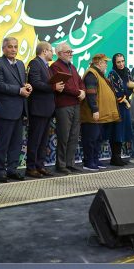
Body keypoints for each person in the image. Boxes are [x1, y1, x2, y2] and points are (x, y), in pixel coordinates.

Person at [0, 37, 31, 182]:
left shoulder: (20, 64)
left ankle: (12, 170)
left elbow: (22, 83)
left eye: (15, 47)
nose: (13, 49)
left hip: (19, 110)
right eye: (10, 47)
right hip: (5, 110)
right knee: (3, 143)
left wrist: (27, 86)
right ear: (3, 48)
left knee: (16, 143)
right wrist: (19, 90)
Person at [25, 41, 64, 178]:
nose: (53, 53)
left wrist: (57, 86)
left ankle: (39, 166)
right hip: (38, 109)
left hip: (47, 109)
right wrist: (54, 87)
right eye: (51, 51)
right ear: (44, 51)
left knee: (43, 141)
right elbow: (35, 83)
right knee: (35, 140)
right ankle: (31, 167)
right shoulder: (35, 63)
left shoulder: (46, 66)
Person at [80, 54, 120, 171]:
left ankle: (95, 159)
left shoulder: (99, 74)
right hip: (92, 115)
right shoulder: (91, 74)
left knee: (97, 139)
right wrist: (95, 110)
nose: (106, 65)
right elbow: (91, 93)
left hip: (100, 115)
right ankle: (88, 162)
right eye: (105, 62)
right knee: (90, 139)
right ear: (99, 63)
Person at [50, 42, 86, 174]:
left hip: (76, 104)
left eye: (71, 52)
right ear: (59, 54)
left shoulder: (72, 66)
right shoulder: (55, 67)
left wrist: (83, 91)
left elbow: (80, 82)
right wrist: (78, 92)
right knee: (64, 136)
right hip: (64, 105)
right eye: (68, 52)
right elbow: (63, 86)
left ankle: (70, 163)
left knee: (74, 136)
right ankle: (61, 165)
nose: (71, 54)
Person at [106, 53, 134, 167]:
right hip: (116, 106)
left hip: (125, 106)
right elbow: (116, 91)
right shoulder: (112, 73)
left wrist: (127, 91)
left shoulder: (127, 71)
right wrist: (127, 91)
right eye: (118, 62)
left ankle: (118, 156)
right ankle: (115, 158)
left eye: (123, 61)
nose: (121, 64)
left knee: (123, 132)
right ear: (114, 63)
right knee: (116, 132)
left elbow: (132, 87)